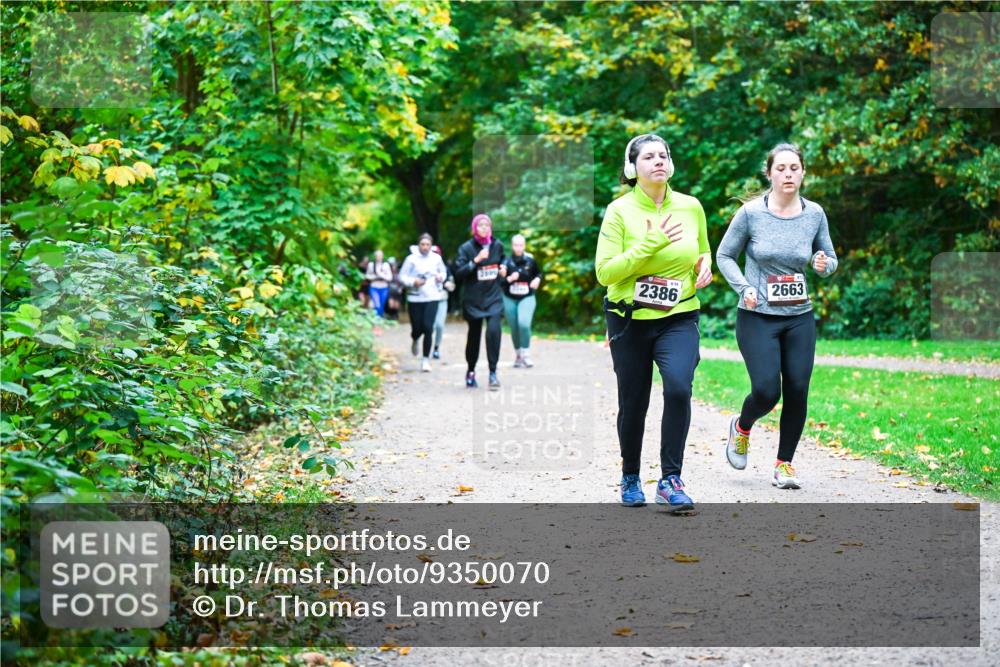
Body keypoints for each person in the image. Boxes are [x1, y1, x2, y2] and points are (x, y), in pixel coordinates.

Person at [595, 134, 713, 511]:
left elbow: (702, 248)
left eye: (664, 155)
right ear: (633, 168)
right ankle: (630, 475)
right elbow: (606, 272)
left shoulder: (691, 206)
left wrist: (704, 264)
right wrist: (653, 242)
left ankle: (670, 478)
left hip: (679, 315)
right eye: (648, 157)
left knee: (679, 387)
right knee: (634, 402)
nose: (658, 161)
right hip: (629, 320)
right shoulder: (619, 211)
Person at [716, 143, 838, 490]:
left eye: (794, 168)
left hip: (799, 315)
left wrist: (823, 264)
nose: (788, 174)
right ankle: (742, 426)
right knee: (768, 391)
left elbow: (830, 258)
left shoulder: (814, 213)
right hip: (757, 316)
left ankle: (784, 464)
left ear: (803, 173)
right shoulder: (752, 214)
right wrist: (744, 288)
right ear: (769, 173)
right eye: (781, 168)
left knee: (798, 388)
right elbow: (724, 255)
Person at [454, 214, 506, 390]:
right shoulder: (466, 248)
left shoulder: (497, 245)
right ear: (475, 228)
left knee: (493, 332)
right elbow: (458, 273)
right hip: (473, 300)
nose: (484, 228)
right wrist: (475, 261)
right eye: (481, 225)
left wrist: (504, 267)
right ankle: (470, 371)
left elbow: (503, 259)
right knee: (474, 337)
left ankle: (493, 373)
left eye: (487, 225)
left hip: (493, 298)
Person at [399, 234, 447, 372]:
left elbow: (443, 272)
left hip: (432, 296)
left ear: (431, 245)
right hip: (415, 298)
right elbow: (402, 276)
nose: (425, 247)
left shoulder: (436, 258)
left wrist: (440, 277)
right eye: (423, 244)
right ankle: (415, 339)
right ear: (418, 245)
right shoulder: (411, 259)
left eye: (428, 245)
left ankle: (425, 360)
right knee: (417, 329)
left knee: (428, 328)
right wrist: (413, 281)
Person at [502, 234, 542, 368]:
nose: (518, 247)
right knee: (514, 327)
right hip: (509, 297)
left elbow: (538, 273)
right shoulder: (506, 261)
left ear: (524, 245)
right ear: (512, 246)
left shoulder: (530, 260)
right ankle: (518, 355)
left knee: (523, 324)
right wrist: (508, 278)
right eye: (516, 245)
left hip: (527, 296)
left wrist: (537, 280)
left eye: (521, 245)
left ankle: (526, 354)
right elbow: (500, 281)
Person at [431, 245, 455, 360]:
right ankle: (427, 347)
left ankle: (436, 348)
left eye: (437, 254)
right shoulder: (424, 268)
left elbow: (452, 286)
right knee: (429, 326)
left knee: (439, 325)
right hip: (428, 300)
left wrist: (447, 285)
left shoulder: (446, 269)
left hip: (442, 299)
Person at [366, 249, 393, 318]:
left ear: (382, 256)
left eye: (380, 255)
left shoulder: (386, 265)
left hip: (384, 287)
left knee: (382, 304)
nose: (378, 257)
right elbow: (367, 276)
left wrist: (381, 275)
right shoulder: (371, 265)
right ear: (375, 256)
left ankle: (379, 319)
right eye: (377, 256)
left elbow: (390, 277)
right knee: (377, 304)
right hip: (374, 287)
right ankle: (377, 320)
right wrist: (375, 277)